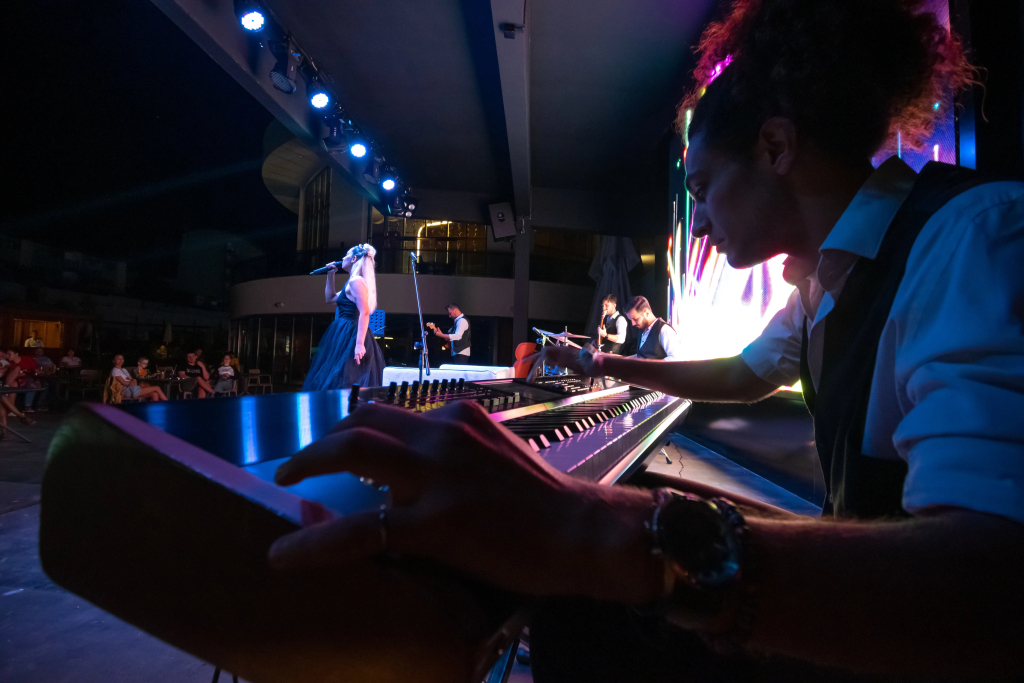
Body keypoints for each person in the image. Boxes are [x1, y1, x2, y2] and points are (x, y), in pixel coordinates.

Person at [264, 1, 1024, 679]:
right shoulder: (822, 282)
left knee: (588, 605)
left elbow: (990, 588)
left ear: (776, 147)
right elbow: (744, 374)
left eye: (703, 189)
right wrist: (600, 366)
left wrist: (584, 523)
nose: (700, 223)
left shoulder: (972, 236)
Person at [302, 244, 385, 390]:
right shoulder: (352, 282)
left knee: (345, 376)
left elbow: (365, 312)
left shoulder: (356, 281)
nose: (343, 258)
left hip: (350, 333)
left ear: (353, 259)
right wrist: (330, 274)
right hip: (344, 330)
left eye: (346, 255)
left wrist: (359, 344)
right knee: (339, 376)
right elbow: (330, 299)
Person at [623, 296, 684, 361]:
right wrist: (624, 360)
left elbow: (676, 358)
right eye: (631, 320)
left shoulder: (665, 330)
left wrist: (652, 364)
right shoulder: (642, 329)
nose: (633, 324)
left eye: (635, 319)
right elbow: (642, 356)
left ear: (647, 313)